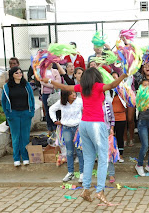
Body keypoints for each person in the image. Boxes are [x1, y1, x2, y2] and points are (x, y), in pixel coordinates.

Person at [41, 67, 127, 204]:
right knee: (103, 158)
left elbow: (64, 86)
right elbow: (112, 85)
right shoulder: (98, 86)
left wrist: (49, 80)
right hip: (96, 125)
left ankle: (86, 189)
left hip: (84, 125)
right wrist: (124, 75)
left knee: (88, 158)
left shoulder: (82, 87)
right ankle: (100, 190)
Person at [1, 66, 35, 166]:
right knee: (16, 137)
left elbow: (32, 99)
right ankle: (16, 158)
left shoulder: (26, 85)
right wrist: (8, 114)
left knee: (25, 136)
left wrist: (31, 112)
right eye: (17, 73)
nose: (20, 74)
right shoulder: (7, 87)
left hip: (25, 113)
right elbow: (3, 102)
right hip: (13, 114)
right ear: (12, 75)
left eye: (20, 72)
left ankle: (25, 157)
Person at [49, 91, 84, 183]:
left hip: (78, 128)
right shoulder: (61, 102)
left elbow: (87, 109)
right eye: (71, 94)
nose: (74, 95)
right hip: (66, 128)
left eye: (75, 93)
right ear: (66, 96)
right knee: (69, 151)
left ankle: (82, 173)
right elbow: (51, 109)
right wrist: (55, 120)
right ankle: (70, 172)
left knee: (80, 151)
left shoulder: (80, 101)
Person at [135, 79, 149, 177]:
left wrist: (147, 104)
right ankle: (139, 165)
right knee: (145, 145)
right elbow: (138, 105)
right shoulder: (139, 96)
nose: (147, 86)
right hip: (142, 123)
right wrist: (143, 103)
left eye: (148, 85)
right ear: (140, 87)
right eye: (145, 85)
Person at [111, 72, 127, 162]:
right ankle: (112, 154)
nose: (114, 79)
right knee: (111, 137)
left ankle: (120, 155)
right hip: (110, 118)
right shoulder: (108, 90)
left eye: (116, 78)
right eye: (112, 77)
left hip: (121, 117)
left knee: (120, 136)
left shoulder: (123, 91)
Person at [40, 63, 61, 133]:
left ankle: (56, 127)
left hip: (55, 94)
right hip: (46, 94)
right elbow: (42, 82)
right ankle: (50, 128)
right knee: (47, 111)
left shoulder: (55, 71)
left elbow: (59, 81)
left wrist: (50, 83)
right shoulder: (42, 71)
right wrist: (53, 85)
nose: (50, 64)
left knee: (56, 110)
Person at [103, 98, 116, 183]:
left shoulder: (107, 103)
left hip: (107, 130)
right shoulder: (92, 103)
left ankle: (111, 173)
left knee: (109, 152)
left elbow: (112, 117)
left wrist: (112, 128)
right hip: (96, 130)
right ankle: (102, 173)